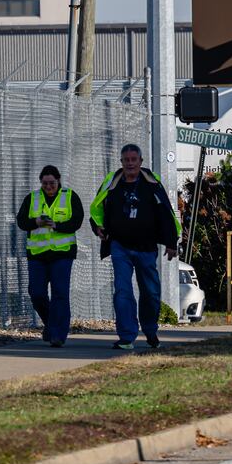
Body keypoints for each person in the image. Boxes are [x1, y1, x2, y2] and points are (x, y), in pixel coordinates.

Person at [90, 144, 180, 350]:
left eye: (133, 160)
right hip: (119, 246)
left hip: (146, 248)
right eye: (126, 160)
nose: (130, 164)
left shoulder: (151, 183)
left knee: (150, 292)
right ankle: (126, 336)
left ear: (140, 161)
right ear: (121, 162)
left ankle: (150, 330)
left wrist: (171, 242)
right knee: (122, 290)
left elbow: (166, 212)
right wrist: (98, 227)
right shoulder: (112, 182)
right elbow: (97, 207)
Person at [16, 165, 84, 347]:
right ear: (41, 182)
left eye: (52, 183)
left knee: (60, 293)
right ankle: (51, 324)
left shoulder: (69, 196)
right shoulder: (32, 198)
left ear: (58, 180)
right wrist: (35, 222)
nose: (48, 186)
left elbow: (77, 221)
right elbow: (21, 221)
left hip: (62, 254)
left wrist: (56, 225)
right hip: (37, 254)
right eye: (45, 183)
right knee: (36, 293)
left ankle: (58, 335)